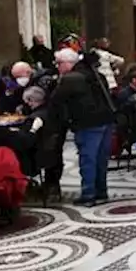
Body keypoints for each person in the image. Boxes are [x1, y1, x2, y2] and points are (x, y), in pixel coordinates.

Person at [50, 48, 117, 206]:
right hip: (106, 120)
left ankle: (88, 194)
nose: (57, 67)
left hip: (87, 123)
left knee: (88, 160)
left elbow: (55, 101)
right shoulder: (96, 75)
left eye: (59, 63)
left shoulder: (70, 79)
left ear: (69, 63)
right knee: (101, 159)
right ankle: (101, 192)